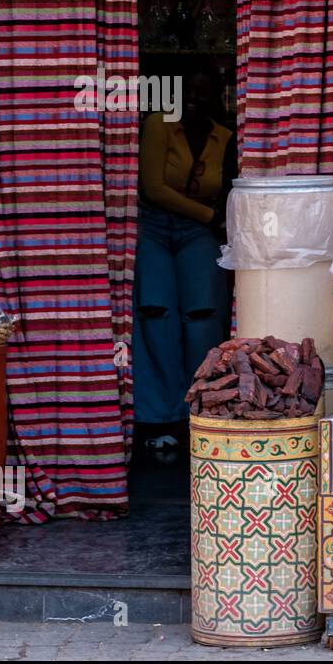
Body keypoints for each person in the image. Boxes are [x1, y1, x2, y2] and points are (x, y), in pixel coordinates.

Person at [132, 71, 234, 448]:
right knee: (155, 314)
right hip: (155, 227)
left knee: (203, 315)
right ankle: (159, 419)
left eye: (202, 91)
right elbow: (154, 188)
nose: (194, 97)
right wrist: (210, 217)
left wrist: (212, 220)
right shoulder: (159, 125)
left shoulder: (223, 138)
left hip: (195, 232)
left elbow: (224, 189)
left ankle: (200, 409)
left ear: (216, 98)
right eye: (188, 90)